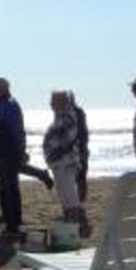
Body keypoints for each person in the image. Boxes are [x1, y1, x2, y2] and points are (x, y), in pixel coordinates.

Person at [43, 90, 90, 237]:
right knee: (64, 194)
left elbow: (67, 141)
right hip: (60, 163)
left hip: (65, 162)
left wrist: (54, 155)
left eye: (53, 101)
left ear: (62, 102)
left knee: (69, 195)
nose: (50, 104)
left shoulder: (68, 117)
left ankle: (74, 225)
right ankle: (71, 224)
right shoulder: (61, 116)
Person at [0, 77, 28, 233]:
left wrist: (21, 151)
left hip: (8, 154)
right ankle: (11, 220)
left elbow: (17, 131)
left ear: (1, 89)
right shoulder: (5, 105)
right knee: (7, 187)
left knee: (8, 187)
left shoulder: (9, 105)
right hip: (4, 153)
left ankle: (13, 223)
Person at [70, 91, 89, 202]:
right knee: (77, 177)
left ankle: (80, 200)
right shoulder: (67, 113)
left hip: (79, 148)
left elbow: (82, 133)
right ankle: (78, 200)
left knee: (80, 176)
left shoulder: (77, 112)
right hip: (77, 148)